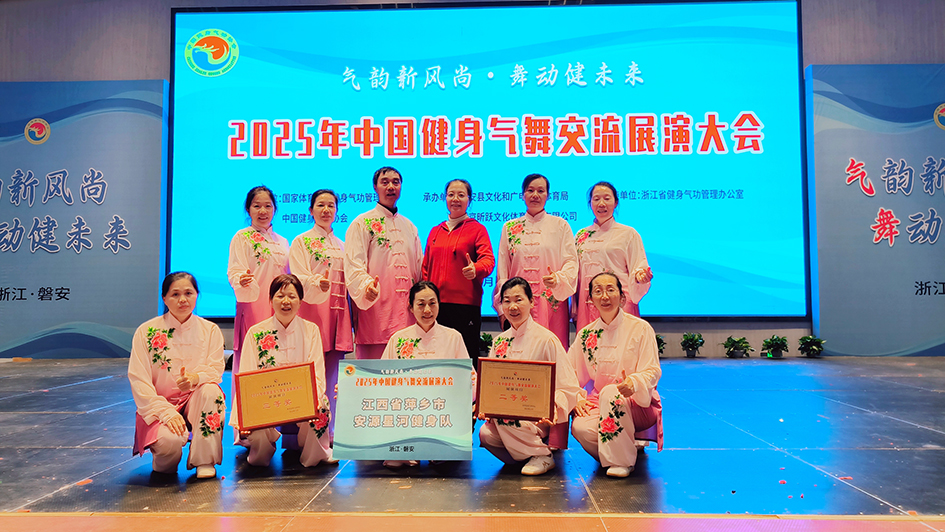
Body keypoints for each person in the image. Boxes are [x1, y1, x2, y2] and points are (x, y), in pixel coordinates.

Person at [230, 275, 336, 468]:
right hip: (266, 399)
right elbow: (246, 377)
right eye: (280, 296)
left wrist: (314, 396)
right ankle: (261, 453)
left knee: (322, 404)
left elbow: (317, 373)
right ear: (270, 300)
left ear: (300, 301)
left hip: (301, 398)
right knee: (257, 450)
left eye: (292, 296)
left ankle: (316, 453)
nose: (286, 301)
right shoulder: (256, 332)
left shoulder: (311, 330)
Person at [478, 278, 581, 476]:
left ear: (532, 302)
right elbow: (492, 385)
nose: (512, 307)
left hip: (538, 418)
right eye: (507, 301)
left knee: (505, 420)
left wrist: (553, 407)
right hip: (506, 413)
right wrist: (486, 406)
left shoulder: (546, 339)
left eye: (519, 300)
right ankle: (527, 455)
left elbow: (568, 385)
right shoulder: (500, 342)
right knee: (486, 434)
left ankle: (543, 455)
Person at [128, 272, 225, 479]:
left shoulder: (210, 330)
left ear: (197, 295)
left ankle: (205, 460)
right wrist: (166, 412)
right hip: (159, 405)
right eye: (175, 294)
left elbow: (215, 369)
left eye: (188, 293)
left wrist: (195, 378)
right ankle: (164, 459)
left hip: (195, 401)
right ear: (164, 298)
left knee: (211, 391)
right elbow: (139, 379)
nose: (183, 299)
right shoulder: (146, 331)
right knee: (169, 448)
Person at [569, 272, 663, 478]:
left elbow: (653, 370)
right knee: (580, 427)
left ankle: (622, 461)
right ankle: (621, 450)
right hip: (599, 402)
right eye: (598, 291)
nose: (604, 296)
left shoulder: (640, 328)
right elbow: (570, 373)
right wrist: (576, 397)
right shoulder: (586, 334)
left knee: (611, 393)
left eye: (610, 290)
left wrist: (635, 382)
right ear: (590, 299)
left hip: (637, 403)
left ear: (622, 297)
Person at [380, 280, 474, 468]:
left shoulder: (453, 337)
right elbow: (381, 379)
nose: (427, 310)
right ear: (410, 307)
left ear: (439, 304)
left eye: (432, 303)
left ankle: (434, 449)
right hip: (408, 410)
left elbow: (469, 377)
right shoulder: (398, 339)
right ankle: (411, 450)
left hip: (442, 409)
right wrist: (352, 387)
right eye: (421, 304)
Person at [289, 189, 353, 439]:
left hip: (338, 314)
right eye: (320, 205)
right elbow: (297, 276)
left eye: (331, 205)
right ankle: (302, 433)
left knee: (333, 373)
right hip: (313, 312)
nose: (326, 210)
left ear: (336, 211)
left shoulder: (343, 246)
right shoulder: (301, 241)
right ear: (311, 210)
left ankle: (331, 430)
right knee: (308, 370)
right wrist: (316, 282)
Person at [344, 167, 422, 360]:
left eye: (396, 182)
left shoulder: (410, 227)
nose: (391, 187)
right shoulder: (362, 223)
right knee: (374, 372)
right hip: (376, 311)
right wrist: (366, 288)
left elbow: (419, 270)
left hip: (407, 313)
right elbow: (354, 265)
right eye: (385, 182)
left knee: (407, 370)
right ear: (375, 187)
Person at [494, 173, 578, 348]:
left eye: (541, 191)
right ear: (523, 194)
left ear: (548, 195)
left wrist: (558, 278)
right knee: (519, 352)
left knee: (551, 351)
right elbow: (503, 269)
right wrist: (502, 307)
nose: (535, 195)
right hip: (517, 303)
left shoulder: (560, 225)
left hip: (551, 304)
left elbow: (571, 261)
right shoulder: (509, 227)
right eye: (530, 190)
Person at [422, 179, 495, 369]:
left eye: (461, 195)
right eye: (451, 194)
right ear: (445, 198)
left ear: (469, 200)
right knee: (437, 358)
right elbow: (425, 268)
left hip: (465, 307)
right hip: (436, 306)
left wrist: (476, 269)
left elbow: (488, 260)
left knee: (465, 360)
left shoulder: (477, 229)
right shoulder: (435, 231)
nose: (455, 199)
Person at [572, 181, 653, 332]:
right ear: (590, 203)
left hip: (619, 303)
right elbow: (576, 275)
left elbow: (638, 267)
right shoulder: (581, 235)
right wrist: (574, 306)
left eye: (607, 198)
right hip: (588, 304)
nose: (601, 203)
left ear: (615, 203)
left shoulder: (628, 234)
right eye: (596, 199)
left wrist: (641, 277)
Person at [227, 186, 289, 379]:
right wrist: (241, 279)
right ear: (248, 209)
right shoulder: (242, 237)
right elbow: (234, 269)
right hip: (254, 304)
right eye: (257, 206)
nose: (263, 211)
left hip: (279, 306)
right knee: (254, 354)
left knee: (279, 354)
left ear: (274, 209)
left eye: (268, 206)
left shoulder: (283, 242)